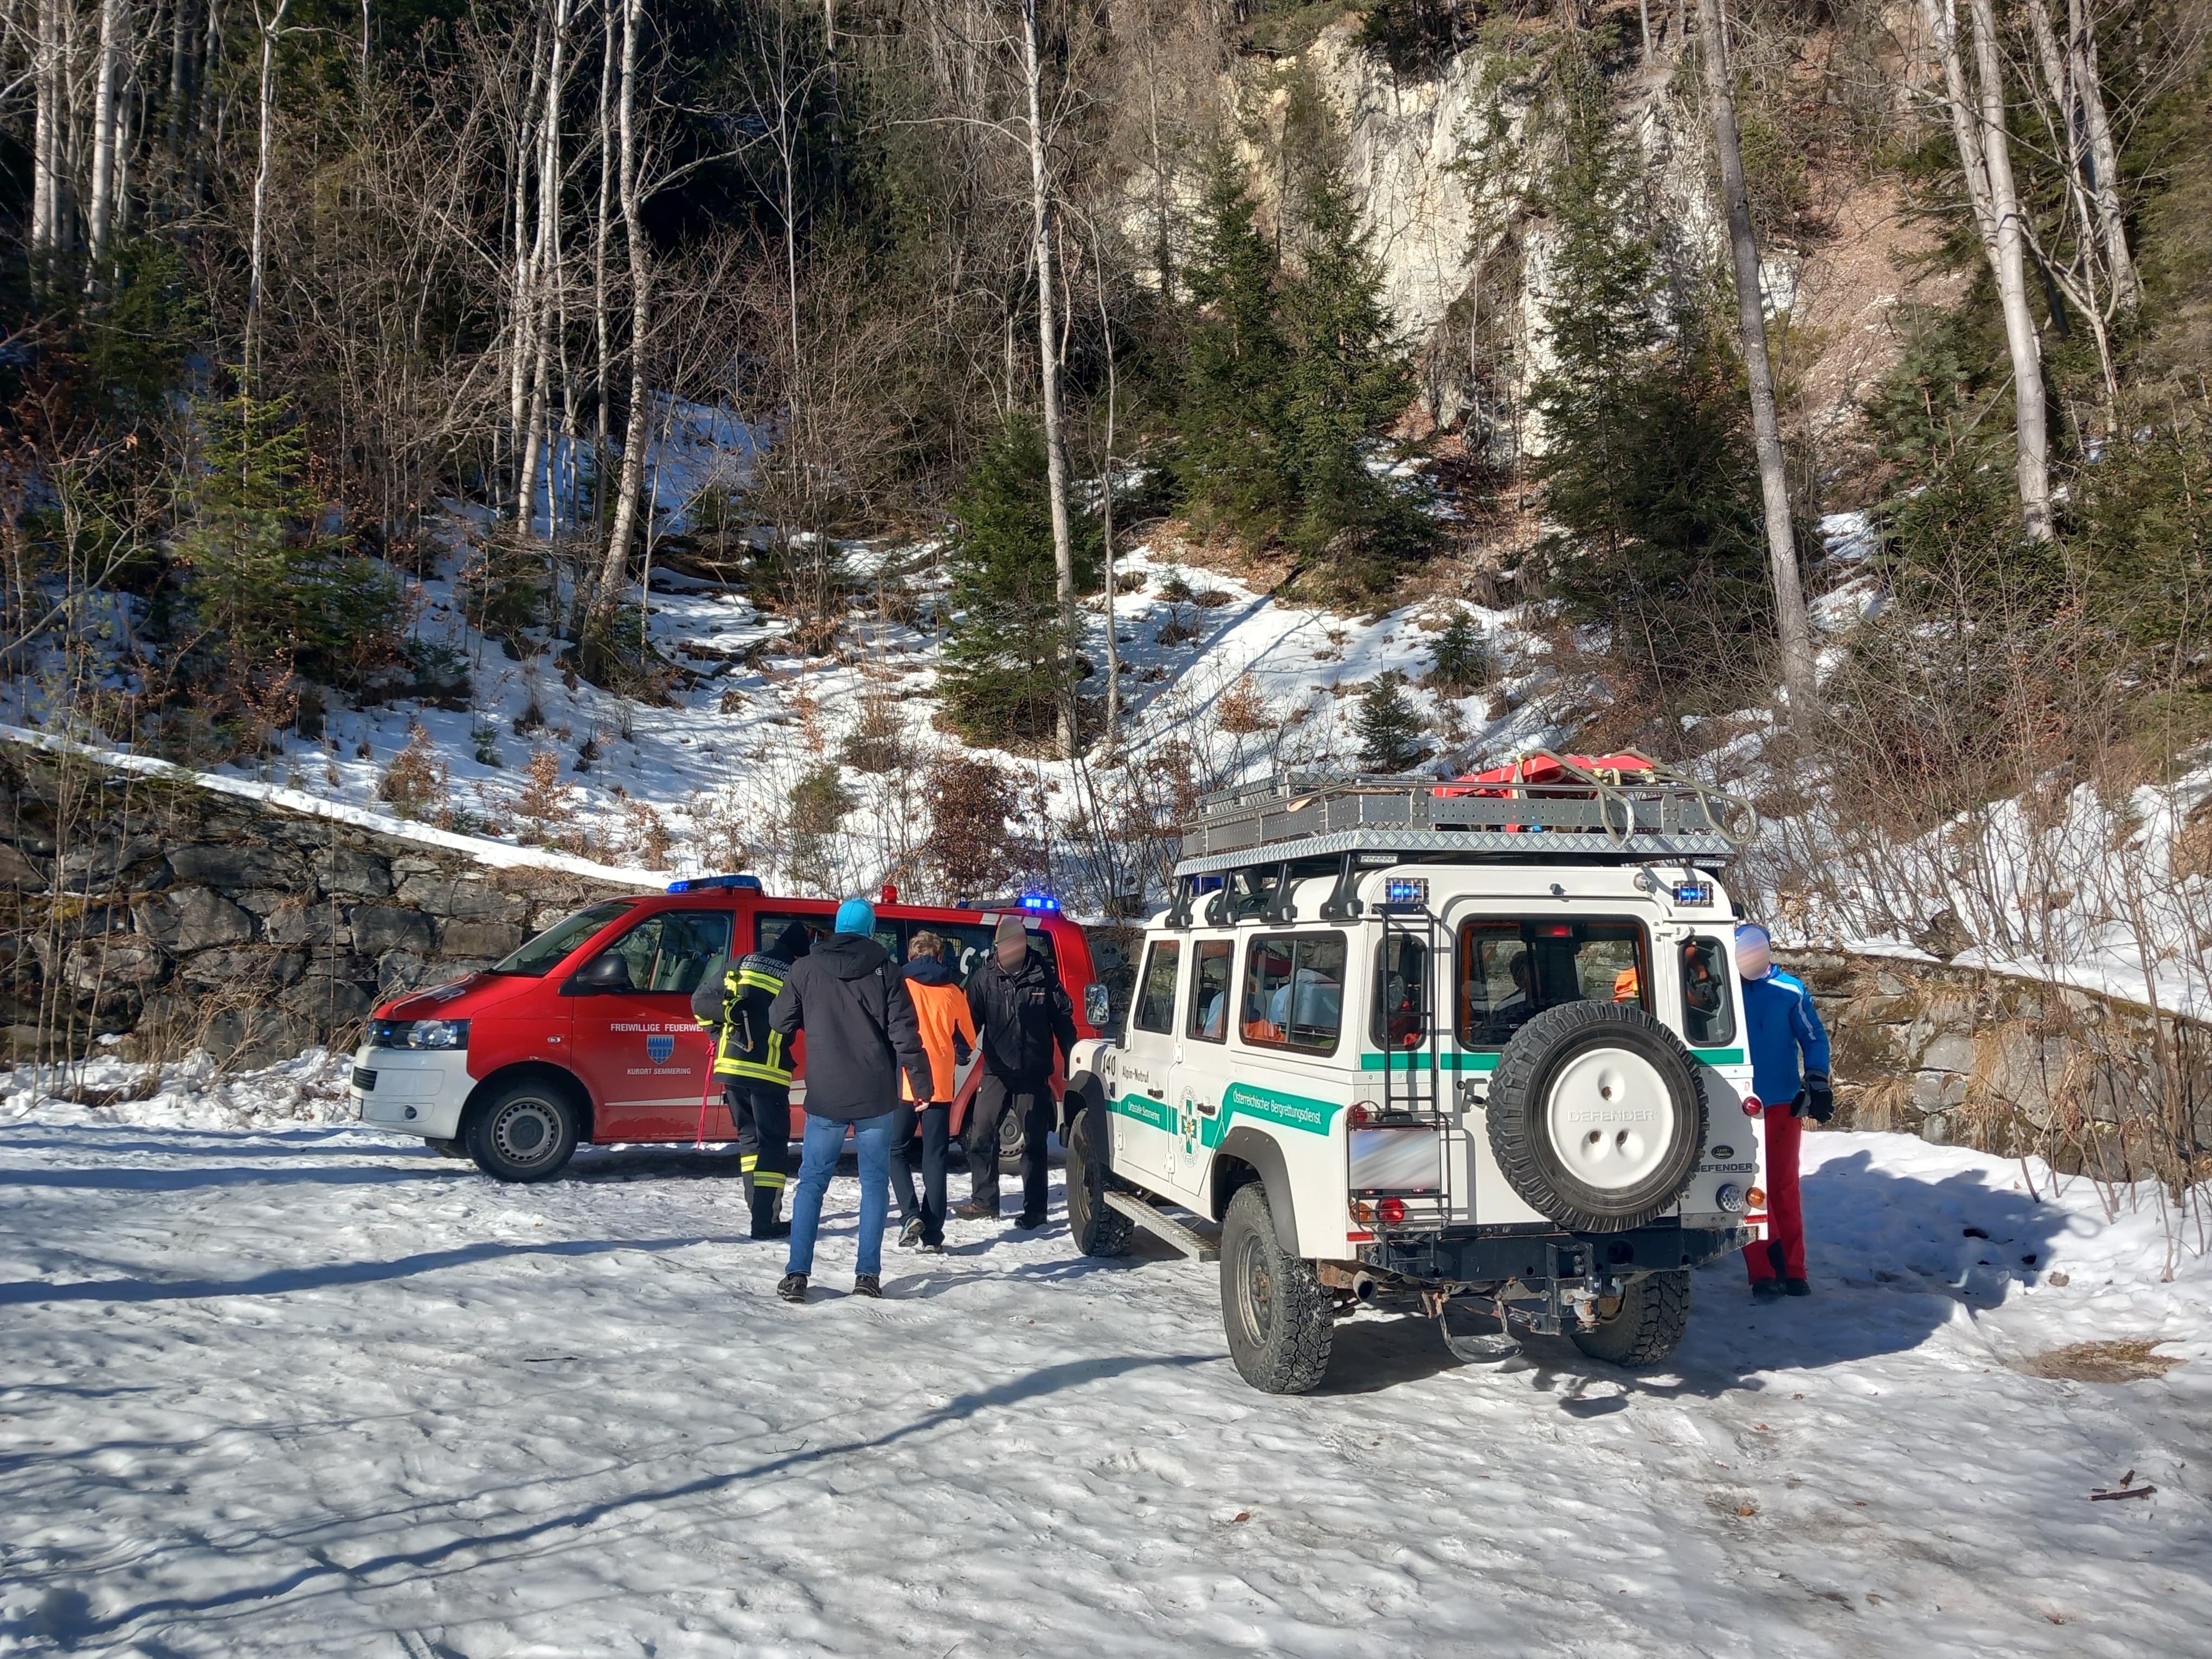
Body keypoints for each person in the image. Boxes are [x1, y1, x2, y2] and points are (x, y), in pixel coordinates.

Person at [767, 897, 930, 1303]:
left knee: (812, 1183)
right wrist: (923, 1086)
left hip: (825, 1093)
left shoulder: (805, 968)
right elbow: (905, 1035)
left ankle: (797, 1274)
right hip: (875, 1094)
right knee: (874, 1184)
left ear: (837, 927)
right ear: (871, 930)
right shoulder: (887, 971)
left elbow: (780, 1020)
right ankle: (867, 1276)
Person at [690, 920, 811, 1239]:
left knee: (749, 1140)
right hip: (768, 1073)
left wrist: (719, 1032)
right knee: (772, 1145)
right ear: (800, 953)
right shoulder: (795, 974)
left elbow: (700, 1003)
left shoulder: (742, 964)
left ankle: (756, 1210)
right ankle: (765, 1221)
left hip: (731, 1068)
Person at [1735, 921, 1834, 1302]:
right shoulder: (1722, 991)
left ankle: (1794, 1270)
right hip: (1737, 1104)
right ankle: (1763, 1269)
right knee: (1748, 1185)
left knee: (1783, 1186)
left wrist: (1817, 1078)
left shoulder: (1790, 989)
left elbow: (1813, 1036)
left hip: (1782, 1103)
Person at [958, 915, 1077, 1228]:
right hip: (996, 1071)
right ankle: (984, 1202)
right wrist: (961, 1048)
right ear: (997, 947)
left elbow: (1063, 1020)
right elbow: (970, 1022)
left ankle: (1036, 1210)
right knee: (981, 1136)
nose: (1010, 951)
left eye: (1017, 945)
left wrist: (1072, 1057)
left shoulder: (1044, 976)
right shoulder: (983, 978)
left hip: (1033, 1072)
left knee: (1035, 1143)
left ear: (1024, 945)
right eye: (1005, 946)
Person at [893, 930, 977, 1255]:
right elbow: (968, 1042)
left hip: (905, 1081)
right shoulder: (954, 991)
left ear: (911, 956)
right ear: (940, 956)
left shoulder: (901, 985)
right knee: (935, 1156)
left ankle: (909, 1214)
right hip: (940, 1084)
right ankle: (932, 1235)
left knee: (895, 1150)